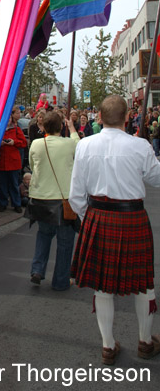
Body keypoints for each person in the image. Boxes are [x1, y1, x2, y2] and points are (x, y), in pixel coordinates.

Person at [69, 95, 160, 365]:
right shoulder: (140, 146)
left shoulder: (85, 145)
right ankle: (145, 342)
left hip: (98, 217)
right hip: (133, 219)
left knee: (103, 287)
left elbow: (76, 196)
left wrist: (90, 220)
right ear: (127, 117)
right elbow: (157, 178)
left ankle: (108, 346)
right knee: (143, 285)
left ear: (99, 116)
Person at [28, 112, 79, 291]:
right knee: (65, 243)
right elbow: (79, 146)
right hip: (62, 199)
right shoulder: (69, 144)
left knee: (43, 235)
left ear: (43, 127)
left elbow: (33, 166)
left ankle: (37, 269)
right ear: (61, 127)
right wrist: (72, 128)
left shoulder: (36, 144)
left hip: (41, 198)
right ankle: (60, 280)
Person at [0, 115, 27, 213]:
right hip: (1, 161)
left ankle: (16, 203)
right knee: (2, 184)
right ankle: (3, 203)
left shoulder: (17, 129)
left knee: (14, 184)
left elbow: (24, 143)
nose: (7, 120)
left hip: (13, 162)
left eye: (9, 118)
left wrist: (14, 142)